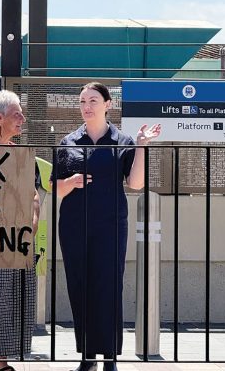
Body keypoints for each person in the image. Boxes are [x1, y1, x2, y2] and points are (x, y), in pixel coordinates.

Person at [52, 82, 161, 371]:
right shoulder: (68, 142)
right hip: (74, 225)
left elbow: (135, 184)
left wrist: (141, 146)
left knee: (109, 286)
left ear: (107, 105)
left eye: (93, 100)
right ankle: (87, 356)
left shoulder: (122, 141)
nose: (87, 106)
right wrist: (69, 182)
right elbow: (54, 188)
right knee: (80, 286)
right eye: (82, 101)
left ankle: (110, 355)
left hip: (111, 225)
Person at [0, 90, 40, 371]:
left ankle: (1, 362)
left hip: (19, 240)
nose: (22, 120)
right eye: (17, 115)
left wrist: (31, 227)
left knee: (13, 299)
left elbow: (34, 196)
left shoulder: (22, 156)